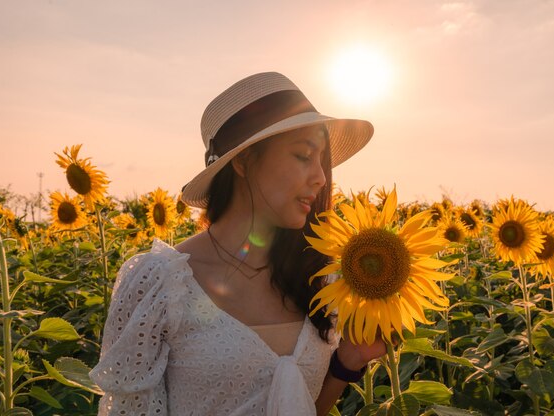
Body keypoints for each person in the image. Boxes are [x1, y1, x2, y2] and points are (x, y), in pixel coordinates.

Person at [89, 72, 386, 415]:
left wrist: (346, 364)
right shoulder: (159, 281)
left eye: (322, 161)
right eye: (304, 156)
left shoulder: (319, 278)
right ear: (244, 161)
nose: (321, 177)